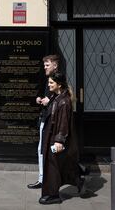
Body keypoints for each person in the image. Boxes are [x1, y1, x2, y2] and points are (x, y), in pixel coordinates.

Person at [39, 71, 83, 205]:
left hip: (55, 140)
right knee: (56, 165)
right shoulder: (56, 97)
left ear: (59, 84)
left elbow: (63, 123)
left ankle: (53, 195)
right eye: (49, 82)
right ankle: (77, 177)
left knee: (52, 166)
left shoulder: (64, 102)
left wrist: (59, 140)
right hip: (51, 137)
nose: (49, 85)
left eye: (51, 83)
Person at [27, 54, 60, 189]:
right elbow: (50, 96)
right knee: (43, 149)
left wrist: (49, 100)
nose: (45, 67)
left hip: (51, 120)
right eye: (44, 65)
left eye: (47, 65)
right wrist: (40, 98)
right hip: (46, 118)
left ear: (55, 65)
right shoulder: (49, 78)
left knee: (48, 150)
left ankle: (44, 179)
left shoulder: (58, 79)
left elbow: (63, 97)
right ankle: (43, 178)